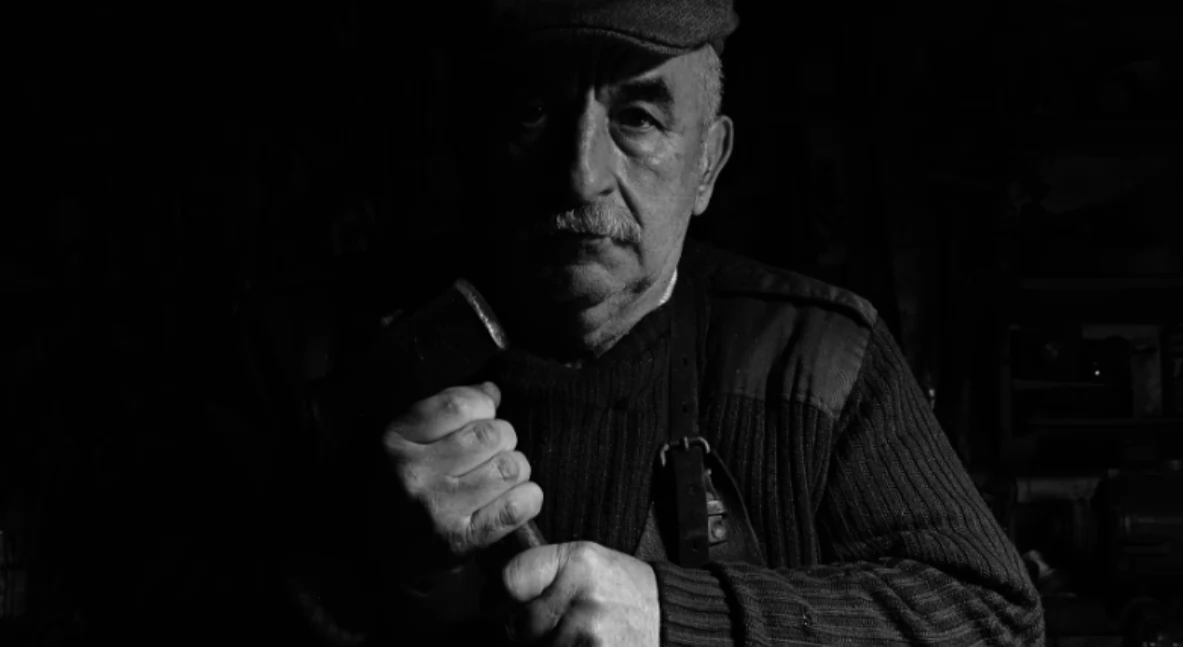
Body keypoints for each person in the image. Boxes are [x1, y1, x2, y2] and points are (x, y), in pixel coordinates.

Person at [273, 1, 1047, 645]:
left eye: (638, 118)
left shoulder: (817, 358)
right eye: (535, 112)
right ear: (481, 145)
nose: (581, 173)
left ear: (707, 162)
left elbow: (996, 619)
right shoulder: (340, 351)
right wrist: (373, 570)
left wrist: (675, 618)